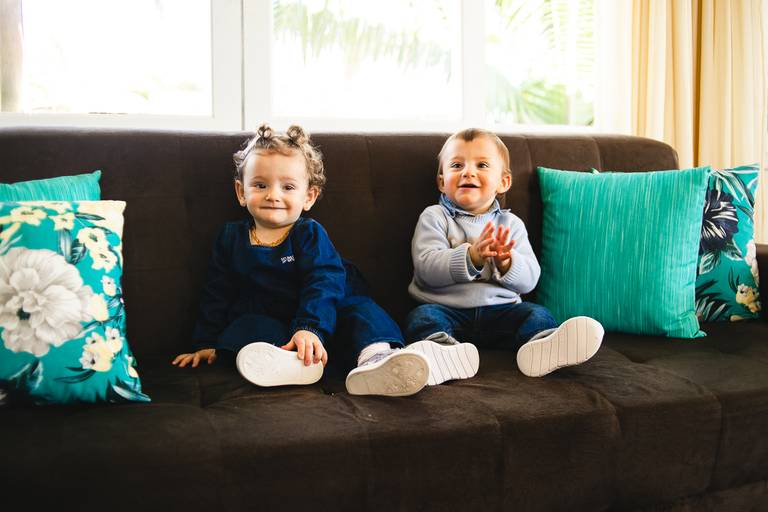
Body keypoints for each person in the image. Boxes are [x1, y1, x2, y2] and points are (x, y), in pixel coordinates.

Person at [172, 124, 429, 397]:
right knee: (246, 326)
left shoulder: (308, 233)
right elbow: (217, 293)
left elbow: (324, 282)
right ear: (241, 192)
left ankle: (376, 359)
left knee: (363, 312)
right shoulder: (230, 238)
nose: (273, 195)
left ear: (309, 196)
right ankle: (291, 365)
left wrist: (310, 328)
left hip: (326, 313)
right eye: (260, 185)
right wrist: (206, 342)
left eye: (288, 187)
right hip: (275, 325)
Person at [404, 128, 603, 384]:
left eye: (482, 165)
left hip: (502, 313)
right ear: (442, 181)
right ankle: (443, 353)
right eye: (456, 165)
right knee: (421, 318)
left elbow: (530, 280)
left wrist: (508, 263)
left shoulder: (511, 225)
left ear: (503, 182)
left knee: (537, 314)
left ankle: (540, 347)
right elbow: (426, 268)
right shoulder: (434, 217)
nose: (468, 172)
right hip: (447, 310)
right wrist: (471, 257)